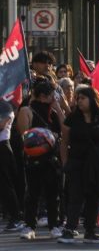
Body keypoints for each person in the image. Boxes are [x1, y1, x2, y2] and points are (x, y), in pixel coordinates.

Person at [58, 87, 99, 244]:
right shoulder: (72, 119)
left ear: (92, 99)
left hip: (97, 164)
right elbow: (64, 143)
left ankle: (90, 232)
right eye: (78, 98)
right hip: (77, 161)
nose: (79, 101)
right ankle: (69, 230)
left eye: (83, 98)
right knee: (75, 195)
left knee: (93, 196)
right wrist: (65, 162)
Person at [17, 80, 65, 240]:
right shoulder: (27, 110)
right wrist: (41, 137)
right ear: (44, 96)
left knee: (53, 193)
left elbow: (65, 130)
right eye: (52, 94)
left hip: (52, 158)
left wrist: (59, 109)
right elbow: (24, 134)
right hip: (34, 158)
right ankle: (29, 226)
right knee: (32, 193)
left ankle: (54, 225)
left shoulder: (54, 112)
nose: (54, 97)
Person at [0, 100, 23, 232]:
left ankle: (16, 217)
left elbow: (2, 125)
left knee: (6, 184)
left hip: (3, 147)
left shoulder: (5, 106)